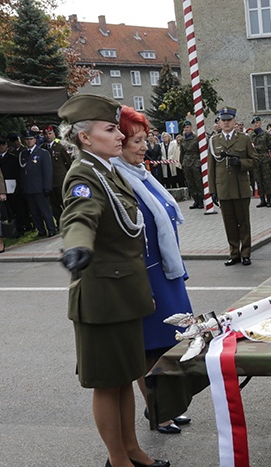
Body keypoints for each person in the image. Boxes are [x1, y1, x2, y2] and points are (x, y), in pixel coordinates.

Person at [57, 94, 167, 467]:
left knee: (126, 376)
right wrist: (77, 246)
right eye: (110, 129)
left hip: (124, 291)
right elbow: (80, 215)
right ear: (85, 137)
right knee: (108, 382)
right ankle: (117, 460)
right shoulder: (83, 175)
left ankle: (133, 448)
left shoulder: (108, 169)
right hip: (102, 297)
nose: (119, 135)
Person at [113, 106, 194, 433]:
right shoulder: (119, 181)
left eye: (145, 139)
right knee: (149, 350)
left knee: (169, 346)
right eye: (136, 141)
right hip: (146, 276)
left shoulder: (143, 176)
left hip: (166, 274)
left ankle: (166, 407)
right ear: (119, 143)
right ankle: (156, 411)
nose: (144, 146)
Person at [208, 106, 258, 266]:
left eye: (229, 120)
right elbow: (211, 168)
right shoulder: (214, 141)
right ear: (219, 122)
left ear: (234, 121)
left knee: (243, 222)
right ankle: (234, 253)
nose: (226, 123)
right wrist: (212, 191)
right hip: (223, 188)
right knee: (229, 223)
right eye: (223, 120)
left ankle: (246, 253)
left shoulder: (243, 139)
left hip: (240, 188)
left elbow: (255, 161)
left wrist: (241, 163)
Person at [18, 130, 56, 238]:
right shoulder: (23, 154)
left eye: (31, 139)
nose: (29, 141)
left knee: (45, 210)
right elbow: (22, 172)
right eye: (27, 139)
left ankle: (51, 229)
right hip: (29, 188)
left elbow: (47, 171)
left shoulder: (42, 153)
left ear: (35, 140)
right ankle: (41, 230)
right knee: (34, 212)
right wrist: (23, 187)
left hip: (40, 187)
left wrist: (47, 187)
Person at [43, 125, 74, 225]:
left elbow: (68, 162)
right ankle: (61, 223)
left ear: (54, 134)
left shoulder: (60, 146)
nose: (48, 136)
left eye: (50, 133)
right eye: (46, 134)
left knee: (65, 201)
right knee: (54, 205)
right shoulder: (43, 148)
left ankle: (71, 220)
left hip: (60, 179)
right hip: (49, 182)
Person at [250, 116, 271, 208]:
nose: (255, 125)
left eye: (257, 123)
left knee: (267, 180)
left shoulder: (265, 134)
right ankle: (262, 199)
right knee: (258, 180)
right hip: (256, 160)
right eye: (254, 123)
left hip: (264, 159)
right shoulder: (251, 135)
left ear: (260, 123)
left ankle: (269, 199)